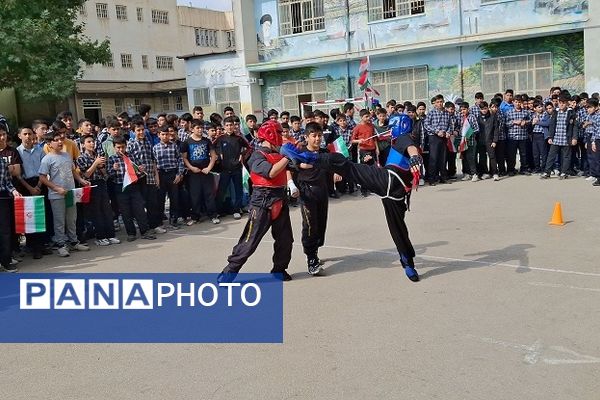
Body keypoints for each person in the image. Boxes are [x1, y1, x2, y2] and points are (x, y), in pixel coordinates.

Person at [281, 114, 423, 282]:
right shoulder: (394, 143)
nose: (390, 130)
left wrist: (415, 157)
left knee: (347, 166)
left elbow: (411, 149)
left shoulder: (404, 138)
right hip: (393, 191)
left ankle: (408, 261)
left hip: (389, 182)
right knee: (398, 229)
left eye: (393, 127)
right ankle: (408, 263)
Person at [218, 121, 299, 283]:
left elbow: (293, 167)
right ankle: (229, 272)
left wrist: (304, 154)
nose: (282, 136)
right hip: (262, 200)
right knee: (250, 241)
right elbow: (271, 172)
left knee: (285, 239)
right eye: (279, 133)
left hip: (280, 197)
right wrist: (287, 156)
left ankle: (279, 269)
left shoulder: (280, 153)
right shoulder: (257, 155)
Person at [291, 122, 336, 276]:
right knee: (310, 226)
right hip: (307, 194)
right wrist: (291, 185)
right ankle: (311, 258)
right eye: (314, 136)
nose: (317, 139)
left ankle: (315, 251)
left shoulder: (324, 153)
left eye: (319, 135)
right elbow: (289, 169)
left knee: (321, 224)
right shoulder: (300, 153)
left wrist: (338, 171)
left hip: (322, 193)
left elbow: (335, 164)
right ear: (306, 137)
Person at [39, 131, 90, 257]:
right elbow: (42, 178)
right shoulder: (47, 159)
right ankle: (61, 244)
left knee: (72, 218)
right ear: (49, 144)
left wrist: (81, 180)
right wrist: (56, 188)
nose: (60, 142)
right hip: (56, 195)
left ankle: (74, 242)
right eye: (56, 140)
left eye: (61, 139)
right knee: (59, 221)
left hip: (70, 192)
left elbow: (72, 171)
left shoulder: (67, 155)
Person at [108, 136, 157, 241]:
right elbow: (109, 176)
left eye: (122, 147)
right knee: (126, 212)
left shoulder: (131, 157)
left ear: (126, 146)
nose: (121, 150)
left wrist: (140, 170)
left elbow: (139, 173)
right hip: (120, 187)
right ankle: (131, 233)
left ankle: (145, 231)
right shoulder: (112, 159)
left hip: (134, 186)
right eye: (118, 147)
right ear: (114, 147)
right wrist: (113, 169)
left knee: (139, 209)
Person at [76, 135, 120, 246]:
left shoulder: (98, 155)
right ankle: (100, 236)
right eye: (89, 142)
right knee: (97, 212)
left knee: (107, 210)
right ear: (83, 144)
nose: (92, 144)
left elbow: (105, 174)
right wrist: (95, 164)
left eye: (93, 141)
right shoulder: (81, 158)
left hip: (102, 183)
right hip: (91, 185)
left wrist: (103, 168)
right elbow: (86, 174)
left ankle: (110, 235)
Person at [15, 127, 49, 259]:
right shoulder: (17, 152)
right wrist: (30, 189)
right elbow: (18, 176)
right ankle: (33, 246)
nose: (28, 136)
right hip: (25, 185)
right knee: (30, 218)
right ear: (19, 136)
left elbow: (44, 169)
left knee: (42, 215)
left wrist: (39, 185)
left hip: (40, 183)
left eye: (30, 134)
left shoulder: (39, 150)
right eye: (25, 134)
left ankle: (42, 244)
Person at [182, 119, 219, 224]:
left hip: (206, 172)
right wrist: (191, 167)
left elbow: (213, 156)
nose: (200, 130)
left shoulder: (206, 141)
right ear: (192, 129)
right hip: (193, 173)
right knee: (195, 195)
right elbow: (184, 158)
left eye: (201, 128)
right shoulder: (187, 142)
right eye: (198, 128)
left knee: (209, 194)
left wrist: (209, 168)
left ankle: (213, 215)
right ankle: (195, 216)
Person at [214, 116, 247, 219]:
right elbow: (212, 148)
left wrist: (242, 155)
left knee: (238, 190)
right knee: (221, 191)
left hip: (237, 169)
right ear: (224, 127)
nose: (229, 127)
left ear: (234, 126)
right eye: (227, 125)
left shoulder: (239, 138)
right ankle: (218, 211)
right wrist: (219, 156)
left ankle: (237, 210)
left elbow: (249, 147)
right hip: (224, 169)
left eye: (231, 125)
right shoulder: (220, 139)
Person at [153, 126, 185, 228]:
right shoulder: (155, 148)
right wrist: (156, 177)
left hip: (172, 174)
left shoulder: (174, 146)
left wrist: (179, 174)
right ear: (158, 135)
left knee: (174, 198)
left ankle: (173, 219)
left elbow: (180, 160)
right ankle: (159, 221)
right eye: (162, 134)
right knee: (160, 199)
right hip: (161, 174)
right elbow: (154, 164)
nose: (165, 136)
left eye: (167, 134)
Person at [541, 96, 577, 179]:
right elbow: (552, 125)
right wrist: (550, 137)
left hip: (566, 138)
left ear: (567, 103)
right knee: (551, 156)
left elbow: (575, 126)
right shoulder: (555, 112)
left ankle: (564, 172)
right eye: (560, 103)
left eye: (563, 103)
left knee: (566, 156)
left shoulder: (571, 113)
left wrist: (574, 138)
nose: (561, 105)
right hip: (556, 138)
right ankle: (547, 172)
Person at [424, 94, 451, 185]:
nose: (439, 104)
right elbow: (426, 125)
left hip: (443, 137)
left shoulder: (447, 113)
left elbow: (450, 125)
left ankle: (444, 177)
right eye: (437, 102)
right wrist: (436, 131)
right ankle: (432, 179)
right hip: (434, 137)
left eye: (441, 102)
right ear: (434, 103)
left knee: (443, 158)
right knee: (433, 158)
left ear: (443, 102)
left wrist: (448, 132)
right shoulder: (431, 113)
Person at [351, 109, 378, 196]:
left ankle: (372, 187)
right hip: (364, 150)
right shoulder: (357, 127)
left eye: (369, 116)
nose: (368, 118)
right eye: (366, 117)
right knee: (365, 170)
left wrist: (377, 149)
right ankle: (364, 189)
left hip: (373, 149)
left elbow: (374, 138)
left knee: (373, 170)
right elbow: (352, 140)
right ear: (361, 117)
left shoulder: (371, 126)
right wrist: (359, 141)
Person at [505, 95, 531, 176]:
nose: (518, 104)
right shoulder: (509, 112)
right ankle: (511, 169)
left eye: (519, 102)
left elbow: (530, 121)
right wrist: (513, 122)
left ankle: (524, 168)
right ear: (513, 102)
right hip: (512, 137)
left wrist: (525, 122)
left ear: (522, 103)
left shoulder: (526, 112)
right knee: (511, 154)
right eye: (516, 102)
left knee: (523, 154)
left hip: (523, 136)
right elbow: (505, 124)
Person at [477, 102, 500, 181]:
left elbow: (496, 130)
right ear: (480, 109)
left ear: (488, 108)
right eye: (482, 109)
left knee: (492, 157)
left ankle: (495, 173)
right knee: (482, 158)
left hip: (490, 141)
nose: (484, 110)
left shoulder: (493, 117)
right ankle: (484, 172)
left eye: (485, 108)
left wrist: (495, 141)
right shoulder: (478, 118)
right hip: (481, 141)